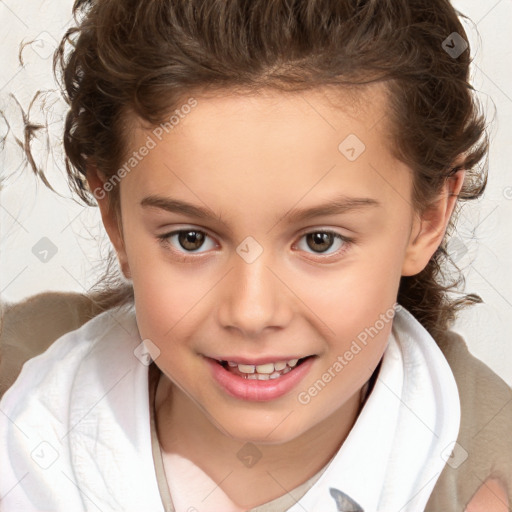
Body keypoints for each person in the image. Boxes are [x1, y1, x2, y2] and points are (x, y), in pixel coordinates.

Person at [0, 0, 511, 510]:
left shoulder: (484, 475)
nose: (251, 312)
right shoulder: (19, 378)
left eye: (320, 241)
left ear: (427, 218)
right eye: (191, 239)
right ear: (114, 215)